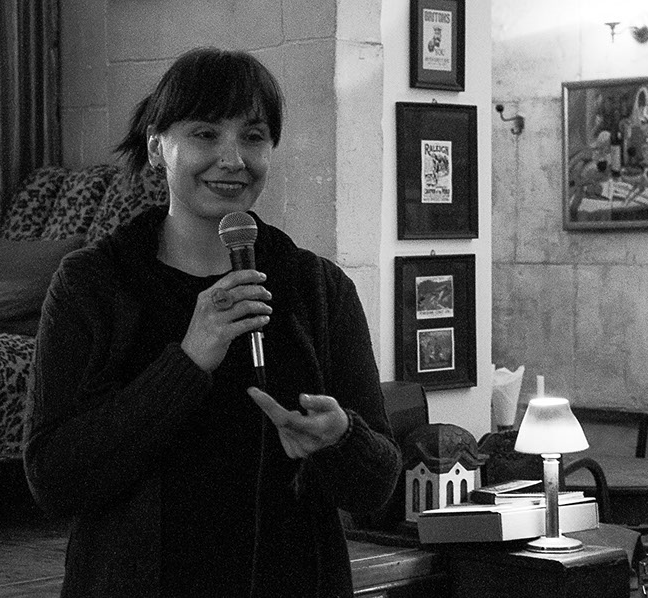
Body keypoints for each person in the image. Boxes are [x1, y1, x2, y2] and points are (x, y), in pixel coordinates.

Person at [22, 47, 401, 597]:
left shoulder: (318, 288)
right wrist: (187, 361)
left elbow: (377, 485)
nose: (232, 158)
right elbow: (53, 479)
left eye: (253, 136)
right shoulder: (93, 285)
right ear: (157, 146)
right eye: (205, 134)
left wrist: (339, 438)